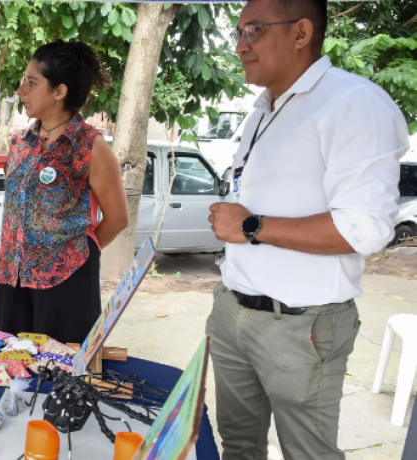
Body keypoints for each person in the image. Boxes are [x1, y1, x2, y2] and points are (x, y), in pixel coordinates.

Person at [206, 0, 409, 458]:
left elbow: (366, 228)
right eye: (238, 33)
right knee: (237, 445)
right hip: (234, 309)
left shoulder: (352, 102)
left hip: (301, 324)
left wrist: (252, 226)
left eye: (253, 30)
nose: (240, 46)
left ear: (300, 33)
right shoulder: (263, 109)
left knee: (307, 453)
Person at [0, 39, 128, 344]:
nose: (20, 90)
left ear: (59, 92)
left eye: (31, 82)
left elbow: (117, 218)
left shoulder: (90, 146)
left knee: (60, 376)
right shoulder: (19, 142)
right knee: (14, 373)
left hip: (65, 286)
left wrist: (69, 255)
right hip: (11, 280)